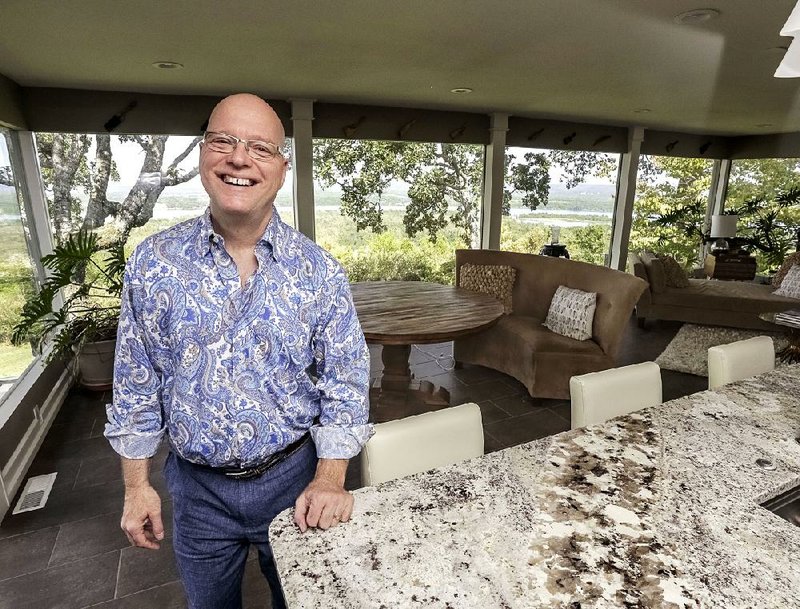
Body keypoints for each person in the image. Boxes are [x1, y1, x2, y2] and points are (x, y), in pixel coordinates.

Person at [105, 93, 372, 609]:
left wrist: (330, 478)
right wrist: (136, 486)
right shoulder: (153, 264)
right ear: (204, 154)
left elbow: (346, 383)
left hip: (294, 480)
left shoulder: (319, 272)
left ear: (281, 168)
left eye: (259, 148)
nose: (239, 159)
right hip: (197, 492)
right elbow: (135, 386)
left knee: (299, 604)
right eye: (223, 141)